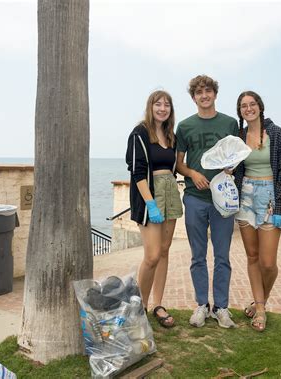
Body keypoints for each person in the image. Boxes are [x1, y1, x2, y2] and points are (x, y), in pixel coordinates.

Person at [176, 75, 239, 328]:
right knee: (198, 256)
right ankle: (202, 304)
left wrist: (231, 168)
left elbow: (236, 155)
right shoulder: (185, 126)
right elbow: (179, 163)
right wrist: (192, 173)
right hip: (195, 198)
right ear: (194, 97)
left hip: (222, 199)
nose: (204, 95)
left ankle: (221, 307)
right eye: (199, 92)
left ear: (215, 94)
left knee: (222, 256)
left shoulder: (230, 123)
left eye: (208, 91)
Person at [234, 90, 281, 332]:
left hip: (269, 196)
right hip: (245, 195)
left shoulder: (277, 134)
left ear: (260, 106)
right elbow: (234, 169)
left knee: (268, 263)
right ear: (240, 111)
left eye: (252, 104)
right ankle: (260, 308)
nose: (248, 108)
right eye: (244, 106)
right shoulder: (238, 136)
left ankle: (261, 302)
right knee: (252, 257)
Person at [125, 90, 183, 328]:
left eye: (166, 105)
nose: (162, 108)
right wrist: (150, 202)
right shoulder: (139, 133)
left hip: (169, 190)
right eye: (158, 104)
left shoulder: (171, 135)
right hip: (150, 195)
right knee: (151, 256)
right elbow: (137, 171)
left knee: (165, 251)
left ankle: (158, 304)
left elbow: (175, 166)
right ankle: (140, 307)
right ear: (150, 107)